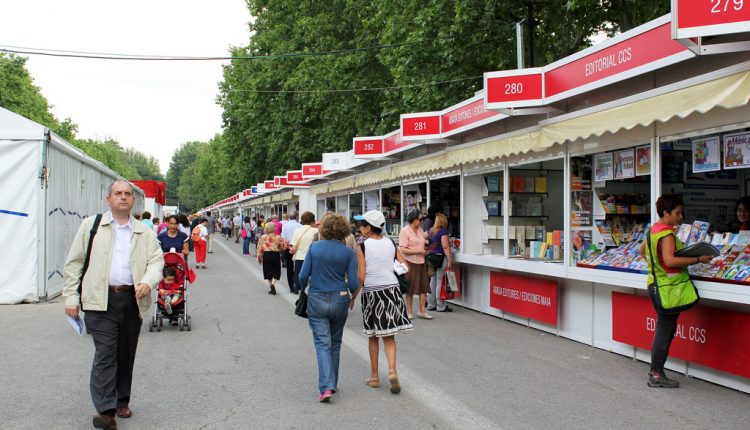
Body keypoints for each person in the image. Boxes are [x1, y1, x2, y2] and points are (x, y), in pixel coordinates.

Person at [62, 180, 163, 430]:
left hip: (132, 299)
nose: (123, 197)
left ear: (133, 200)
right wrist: (71, 297)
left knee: (125, 354)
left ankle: (121, 400)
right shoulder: (91, 226)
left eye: (128, 194)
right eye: (118, 193)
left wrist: (148, 282)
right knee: (106, 354)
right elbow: (74, 263)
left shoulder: (144, 232)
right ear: (108, 199)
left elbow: (156, 262)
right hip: (99, 301)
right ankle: (106, 412)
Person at [638, 194, 713, 388]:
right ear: (666, 213)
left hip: (654, 284)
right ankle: (656, 374)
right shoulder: (667, 234)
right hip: (668, 287)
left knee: (664, 328)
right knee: (665, 330)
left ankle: (656, 371)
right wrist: (697, 259)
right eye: (677, 213)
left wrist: (658, 263)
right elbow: (671, 260)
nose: (680, 216)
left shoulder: (653, 230)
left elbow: (641, 251)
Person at [298, 213, 358, 402]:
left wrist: (305, 289)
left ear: (323, 229)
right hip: (340, 297)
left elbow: (302, 275)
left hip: (317, 297)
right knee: (336, 342)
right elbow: (354, 283)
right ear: (344, 230)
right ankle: (333, 382)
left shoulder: (315, 248)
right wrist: (346, 290)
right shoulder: (349, 253)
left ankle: (326, 387)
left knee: (322, 343)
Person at [352, 210, 412, 394]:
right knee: (389, 336)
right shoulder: (390, 243)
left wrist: (354, 295)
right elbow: (404, 267)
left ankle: (375, 377)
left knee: (373, 336)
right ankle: (392, 370)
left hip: (373, 292)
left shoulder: (362, 246)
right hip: (392, 290)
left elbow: (361, 276)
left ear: (369, 228)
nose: (360, 228)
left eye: (362, 225)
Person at [399, 210, 432, 319]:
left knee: (424, 287)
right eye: (420, 219)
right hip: (410, 262)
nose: (422, 221)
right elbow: (402, 249)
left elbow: (422, 242)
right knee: (410, 288)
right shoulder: (405, 231)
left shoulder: (420, 230)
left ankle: (422, 311)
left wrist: (426, 248)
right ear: (414, 220)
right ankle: (409, 311)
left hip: (421, 261)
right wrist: (418, 251)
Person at [426, 213, 453, 313]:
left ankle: (431, 304)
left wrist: (429, 247)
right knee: (439, 282)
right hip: (440, 258)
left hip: (430, 258)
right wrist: (450, 261)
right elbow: (445, 247)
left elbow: (422, 237)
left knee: (432, 282)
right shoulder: (443, 232)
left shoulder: (431, 231)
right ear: (444, 221)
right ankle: (440, 306)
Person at [290, 212, 318, 294]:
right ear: (312, 220)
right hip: (312, 258)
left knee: (301, 278)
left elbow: (293, 245)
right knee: (311, 280)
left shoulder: (297, 231)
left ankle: (302, 295)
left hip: (299, 257)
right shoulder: (316, 231)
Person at [257, 223, 286, 295]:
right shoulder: (278, 237)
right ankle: (273, 283)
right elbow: (283, 247)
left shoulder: (262, 237)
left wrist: (259, 257)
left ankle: (271, 286)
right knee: (276, 270)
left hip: (266, 255)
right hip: (275, 255)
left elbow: (259, 248)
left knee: (267, 271)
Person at [281, 212, 302, 289]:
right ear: (296, 217)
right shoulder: (300, 226)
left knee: (289, 267)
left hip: (288, 246)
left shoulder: (285, 225)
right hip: (297, 247)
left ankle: (291, 286)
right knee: (297, 266)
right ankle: (297, 284)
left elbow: (283, 237)